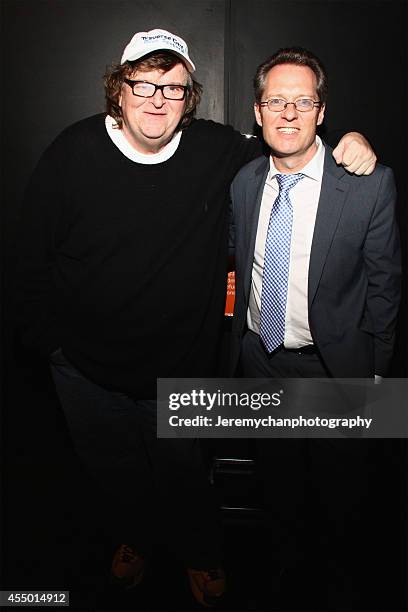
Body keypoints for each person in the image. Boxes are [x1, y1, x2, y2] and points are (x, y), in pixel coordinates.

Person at [14, 29, 377, 607]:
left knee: (186, 478)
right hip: (84, 371)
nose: (158, 99)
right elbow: (29, 256)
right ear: (118, 89)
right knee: (114, 474)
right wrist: (52, 347)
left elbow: (288, 136)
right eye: (144, 84)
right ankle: (133, 541)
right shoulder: (72, 151)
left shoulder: (215, 150)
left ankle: (200, 554)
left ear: (189, 98)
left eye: (174, 88)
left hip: (177, 370)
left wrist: (348, 140)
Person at [229, 47, 401, 605]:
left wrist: (375, 379)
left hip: (337, 374)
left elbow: (385, 285)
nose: (288, 113)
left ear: (321, 111)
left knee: (343, 509)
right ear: (257, 112)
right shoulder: (245, 182)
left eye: (302, 101)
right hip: (261, 367)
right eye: (276, 100)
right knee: (279, 499)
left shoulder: (368, 183)